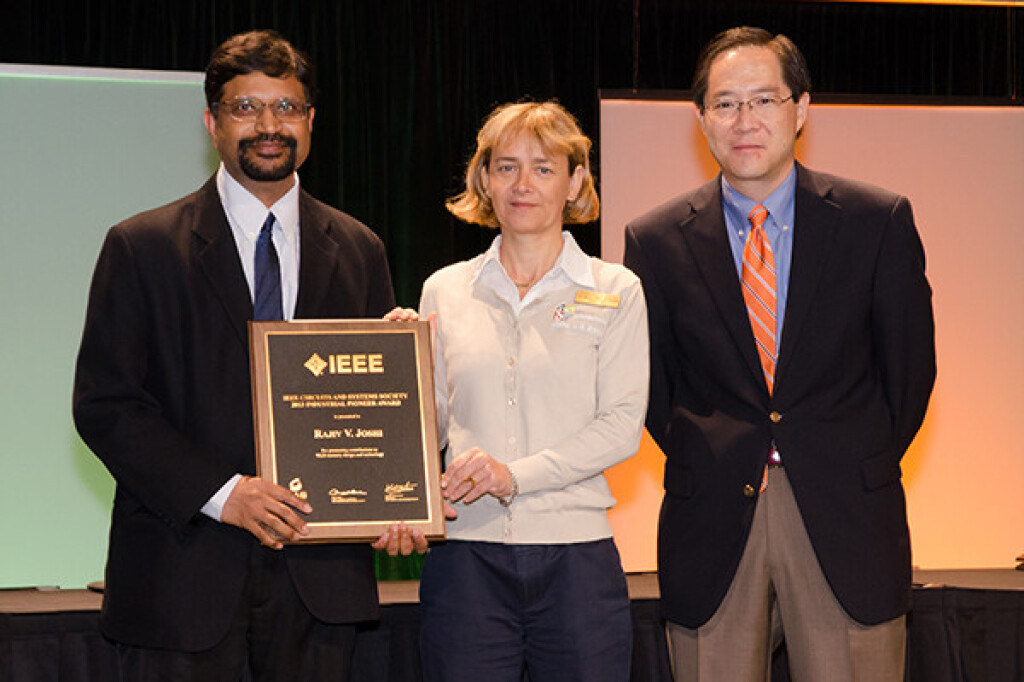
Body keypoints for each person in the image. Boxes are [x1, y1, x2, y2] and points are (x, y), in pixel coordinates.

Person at [73, 29, 421, 681]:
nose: (268, 126)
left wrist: (396, 497)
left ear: (310, 122)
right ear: (212, 123)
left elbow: (376, 410)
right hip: (182, 581)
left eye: (285, 107)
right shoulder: (142, 246)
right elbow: (107, 406)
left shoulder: (359, 249)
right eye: (245, 107)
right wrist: (224, 493)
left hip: (320, 586)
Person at [623, 27, 936, 682]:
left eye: (764, 100)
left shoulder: (876, 221)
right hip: (712, 518)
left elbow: (908, 374)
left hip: (845, 513)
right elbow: (653, 389)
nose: (745, 120)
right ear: (701, 118)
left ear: (801, 109)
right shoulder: (655, 240)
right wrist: (716, 453)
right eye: (725, 103)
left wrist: (846, 456)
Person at [417, 101, 649, 682]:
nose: (523, 184)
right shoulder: (444, 290)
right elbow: (429, 425)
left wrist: (514, 476)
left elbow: (621, 427)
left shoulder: (617, 289)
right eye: (507, 167)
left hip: (577, 562)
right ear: (484, 180)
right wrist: (397, 370)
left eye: (544, 168)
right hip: (465, 559)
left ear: (574, 182)